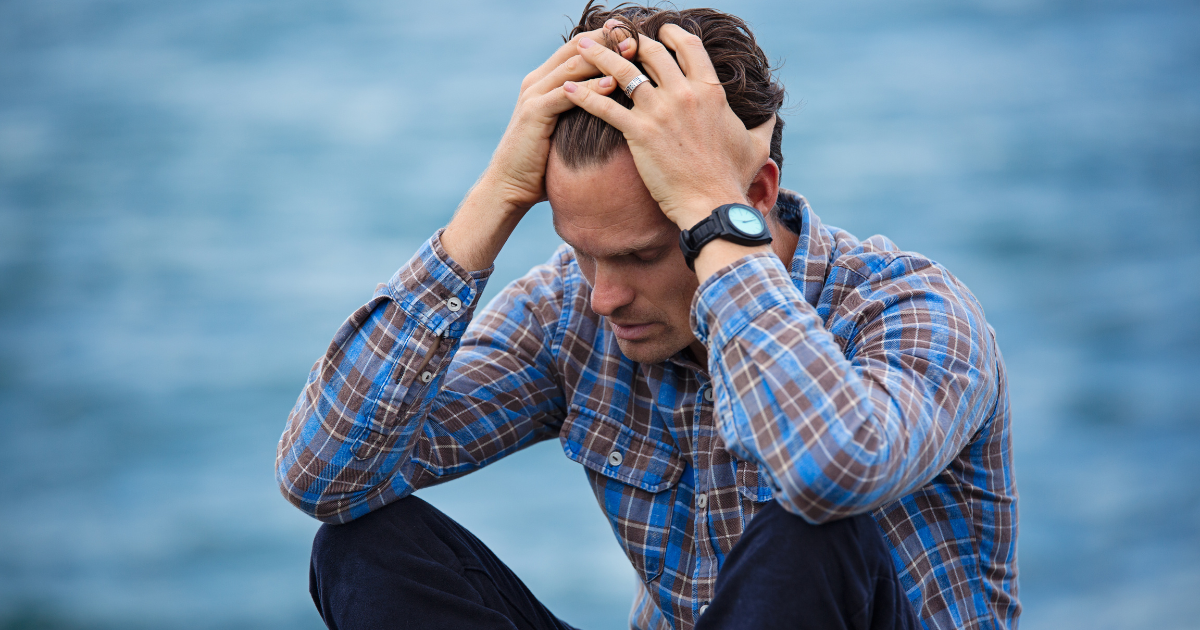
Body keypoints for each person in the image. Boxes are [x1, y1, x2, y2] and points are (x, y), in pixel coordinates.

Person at [275, 3, 1019, 629]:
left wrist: (709, 215)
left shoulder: (912, 310)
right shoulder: (571, 309)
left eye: (638, 256)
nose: (603, 295)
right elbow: (324, 477)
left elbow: (830, 472)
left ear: (754, 196)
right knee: (359, 545)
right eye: (582, 253)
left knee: (810, 532)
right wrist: (494, 198)